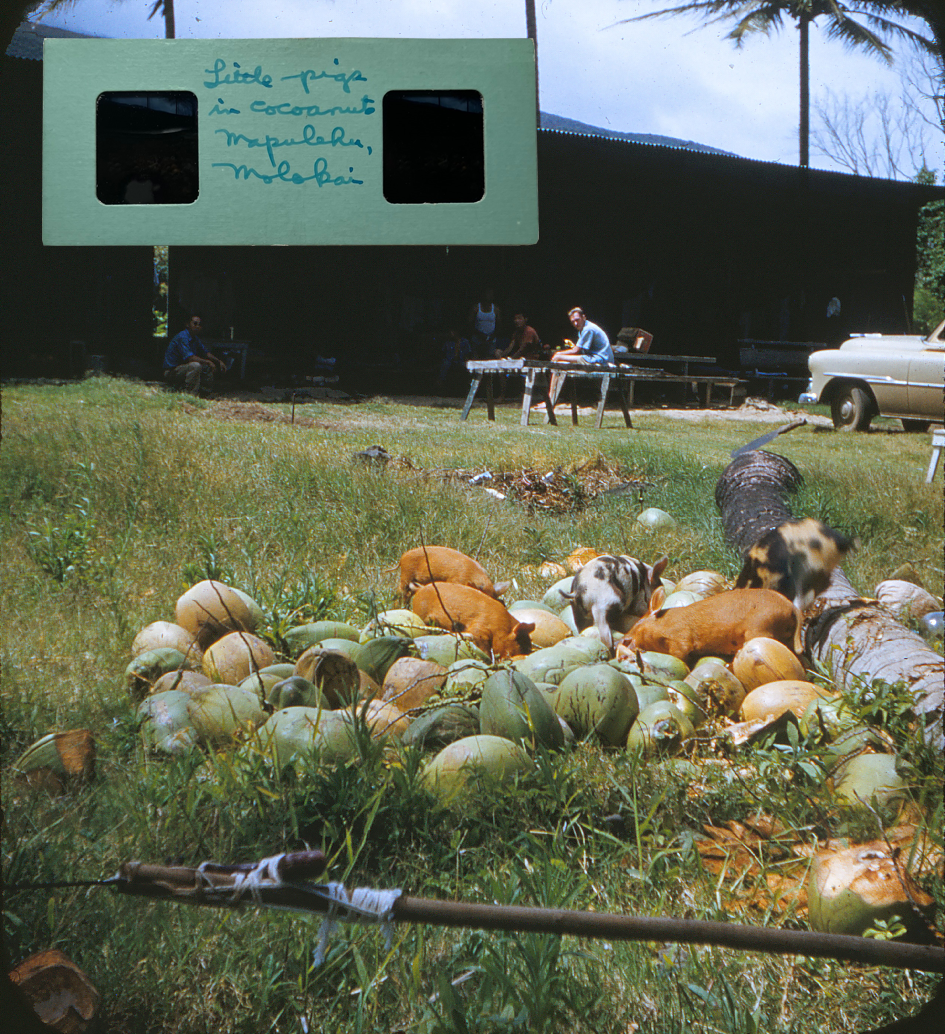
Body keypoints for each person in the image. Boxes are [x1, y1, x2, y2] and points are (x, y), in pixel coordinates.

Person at [543, 307, 614, 408]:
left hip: (600, 360)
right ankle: (553, 397)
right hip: (592, 357)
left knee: (557, 358)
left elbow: (576, 350)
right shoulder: (583, 329)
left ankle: (551, 399)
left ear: (583, 317)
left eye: (577, 320)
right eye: (573, 321)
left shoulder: (588, 329)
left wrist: (559, 354)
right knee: (561, 364)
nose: (575, 323)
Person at [163, 315, 225, 395]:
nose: (197, 326)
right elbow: (190, 358)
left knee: (206, 367)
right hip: (172, 371)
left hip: (183, 368)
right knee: (195, 366)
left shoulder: (195, 339)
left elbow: (206, 353)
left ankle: (206, 393)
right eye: (195, 324)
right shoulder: (183, 337)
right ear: (187, 324)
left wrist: (218, 361)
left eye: (200, 325)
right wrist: (208, 362)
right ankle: (190, 394)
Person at [468, 289, 501, 359]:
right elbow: (470, 323)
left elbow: (499, 325)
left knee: (489, 361)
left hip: (490, 340)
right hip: (477, 340)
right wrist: (478, 334)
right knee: (476, 361)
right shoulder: (476, 308)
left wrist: (492, 335)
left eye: (490, 295)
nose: (488, 296)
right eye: (486, 294)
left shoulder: (495, 309)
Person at [438, 327, 472, 393]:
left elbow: (468, 353)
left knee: (466, 366)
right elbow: (443, 353)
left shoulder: (465, 342)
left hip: (461, 360)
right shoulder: (448, 342)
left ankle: (469, 384)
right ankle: (440, 381)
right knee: (445, 363)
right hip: (450, 360)